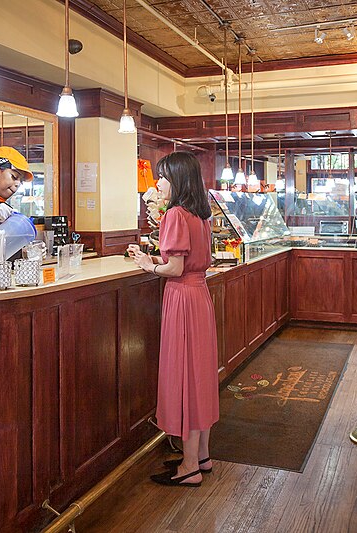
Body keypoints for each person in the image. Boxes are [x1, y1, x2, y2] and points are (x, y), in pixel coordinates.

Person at [127, 151, 219, 487]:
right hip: (200, 297)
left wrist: (147, 264)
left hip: (181, 297)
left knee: (185, 376)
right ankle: (203, 456)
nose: (158, 184)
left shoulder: (176, 214)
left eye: (163, 177)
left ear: (178, 180)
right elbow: (189, 260)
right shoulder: (200, 215)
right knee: (201, 375)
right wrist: (156, 258)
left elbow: (174, 268)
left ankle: (189, 467)